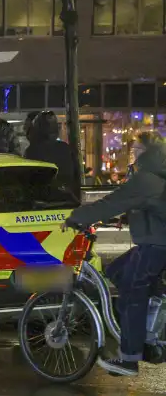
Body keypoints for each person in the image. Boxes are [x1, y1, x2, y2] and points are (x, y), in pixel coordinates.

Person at [64, 136, 166, 377]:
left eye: (135, 149)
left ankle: (130, 357)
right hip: (156, 241)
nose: (131, 153)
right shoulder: (155, 173)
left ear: (145, 152)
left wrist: (77, 216)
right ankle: (150, 335)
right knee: (116, 271)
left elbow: (113, 201)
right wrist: (126, 217)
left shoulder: (146, 178)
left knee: (132, 292)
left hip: (157, 245)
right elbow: (150, 206)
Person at [24, 110, 80, 203]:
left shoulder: (32, 151)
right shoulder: (65, 148)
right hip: (67, 200)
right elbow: (75, 176)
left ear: (36, 129)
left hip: (41, 203)